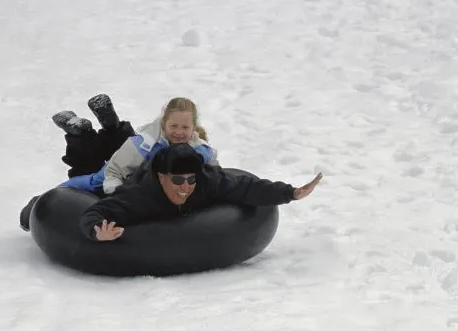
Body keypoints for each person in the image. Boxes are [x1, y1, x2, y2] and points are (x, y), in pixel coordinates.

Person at [80, 143, 323, 242]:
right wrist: (96, 233)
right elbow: (98, 210)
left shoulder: (208, 181)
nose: (185, 187)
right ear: (162, 178)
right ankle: (87, 140)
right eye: (177, 180)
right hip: (130, 174)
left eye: (190, 180)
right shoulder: (140, 194)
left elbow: (247, 187)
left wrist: (291, 193)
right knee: (93, 177)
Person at [58, 96, 219, 195]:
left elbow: (216, 171)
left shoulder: (200, 148)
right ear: (164, 124)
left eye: (184, 127)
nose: (179, 132)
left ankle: (109, 123)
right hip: (123, 171)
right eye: (173, 126)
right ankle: (82, 134)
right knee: (94, 180)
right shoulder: (145, 144)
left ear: (193, 128)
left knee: (120, 145)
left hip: (132, 162)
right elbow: (112, 171)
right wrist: (117, 196)